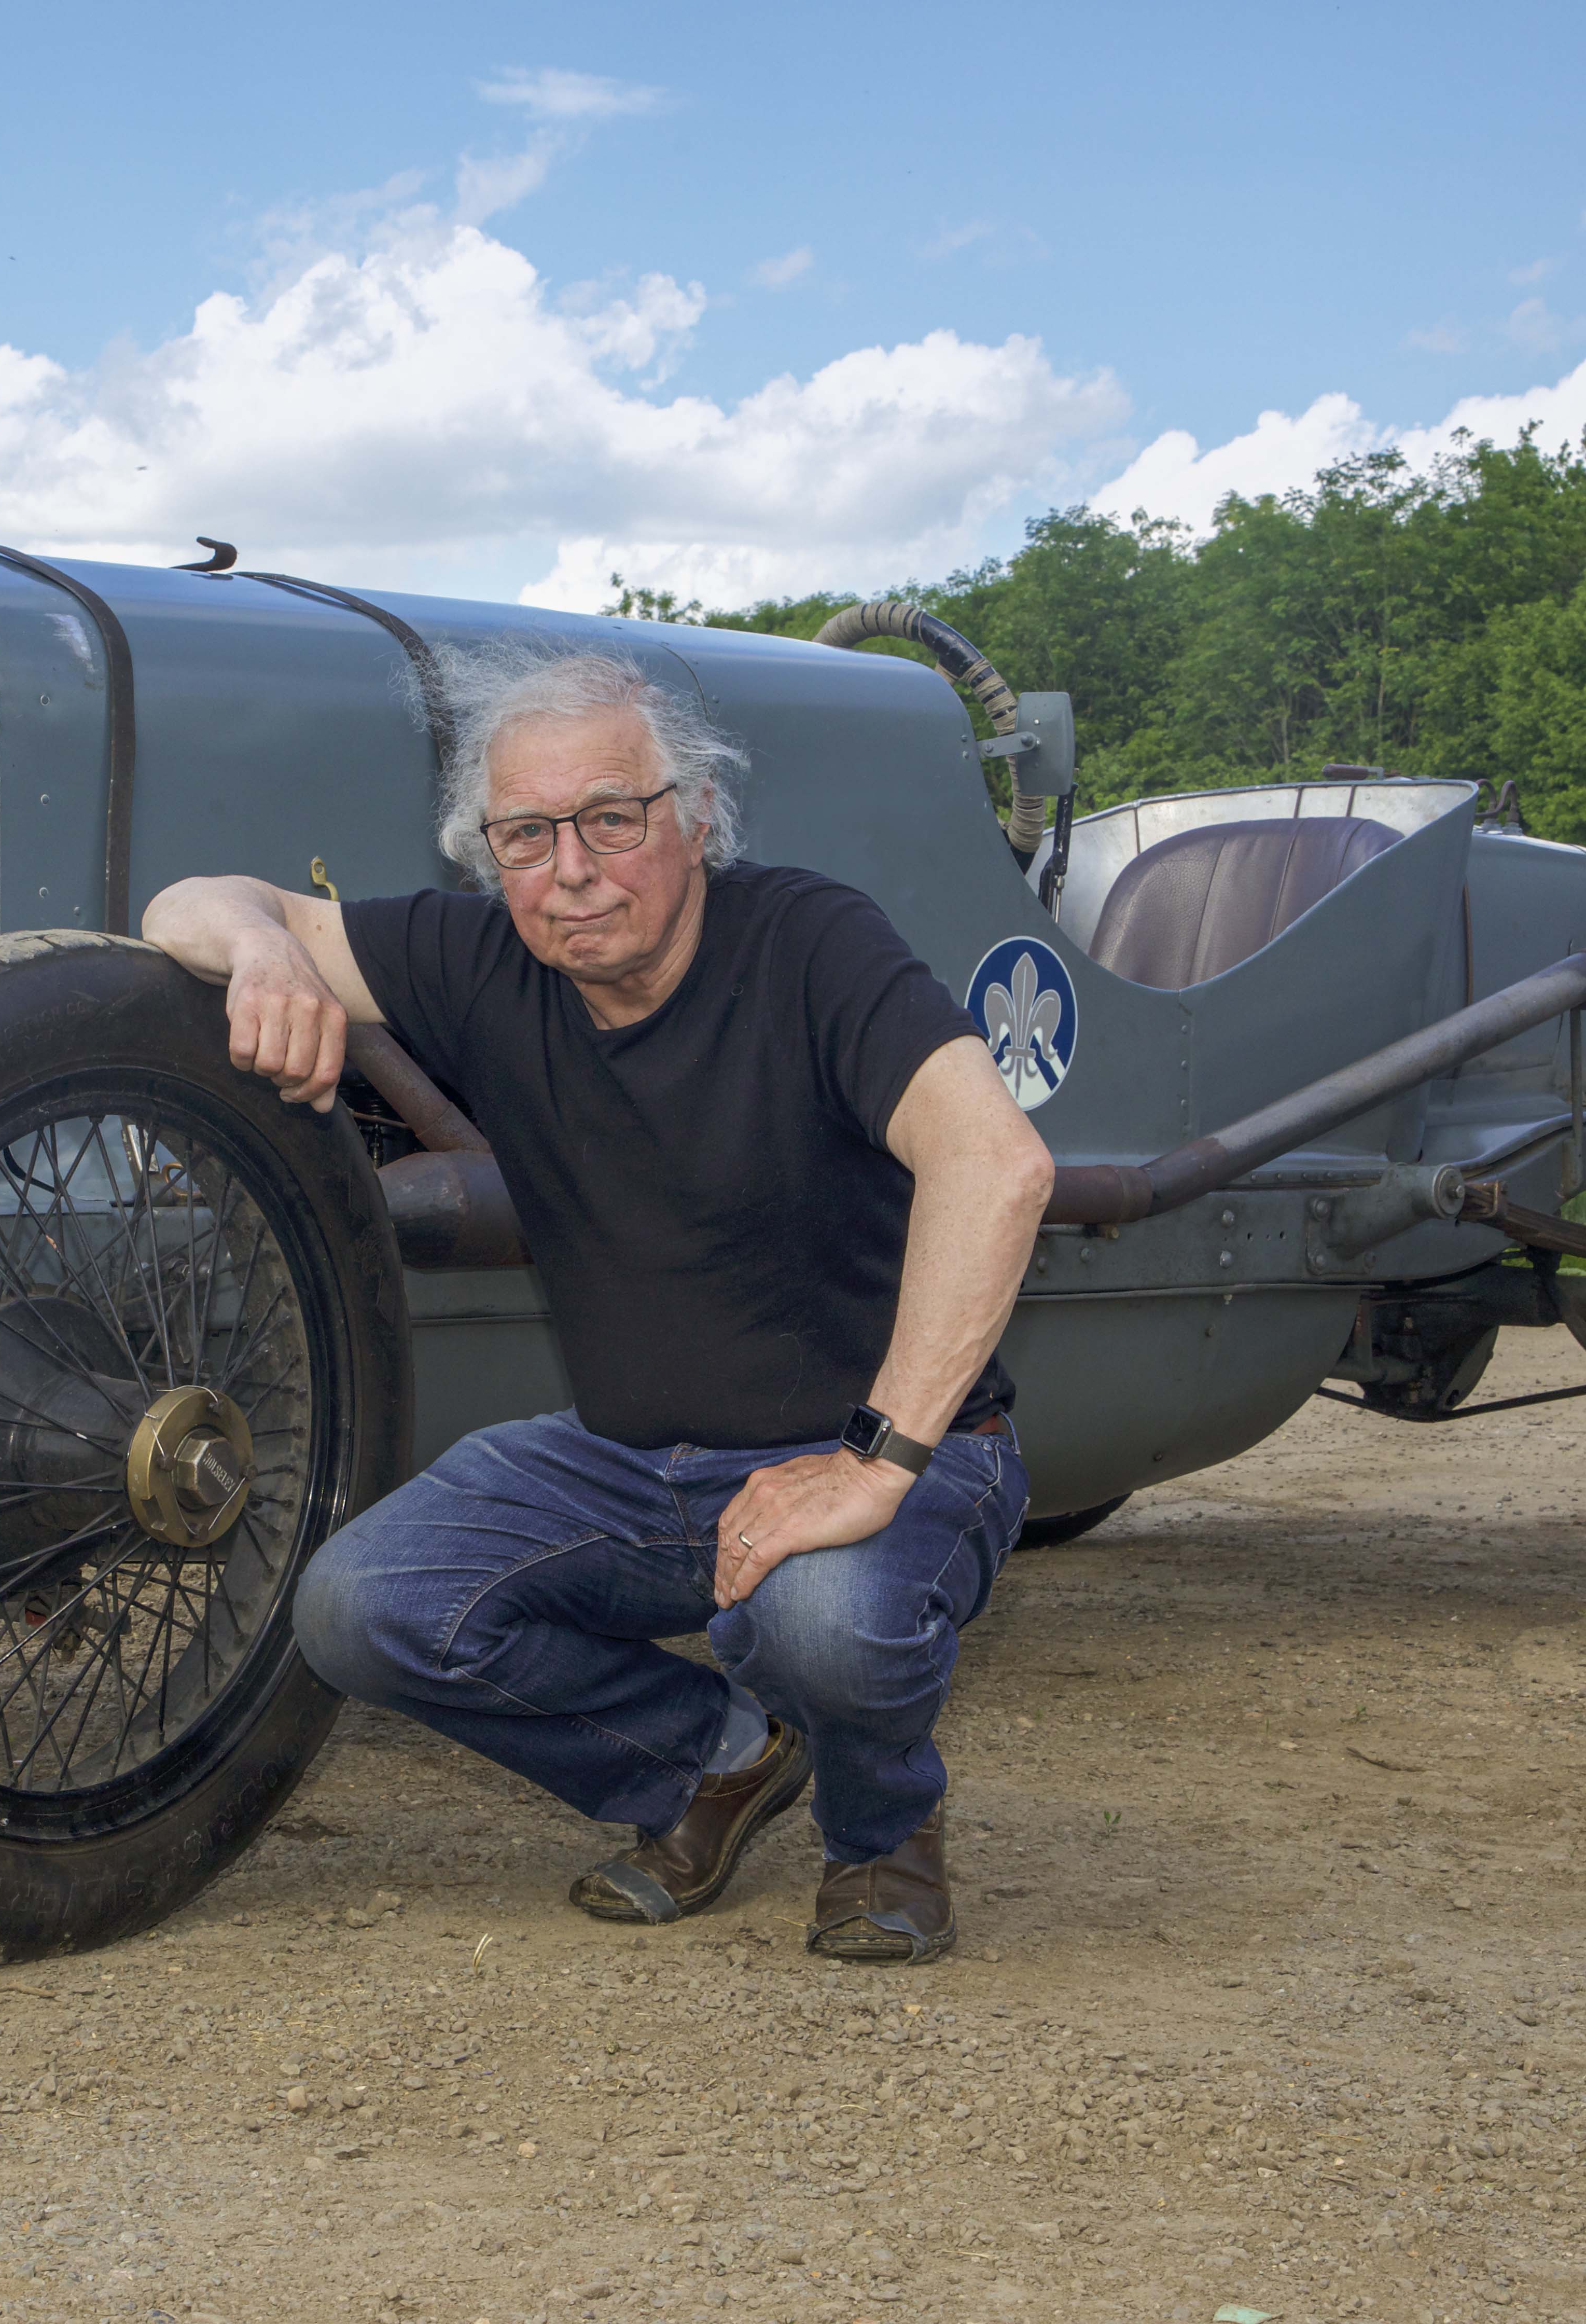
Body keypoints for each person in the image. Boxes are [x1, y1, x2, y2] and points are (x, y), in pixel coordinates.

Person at [139, 644, 1051, 1961]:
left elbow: (998, 1161)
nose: (572, 869)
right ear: (488, 851)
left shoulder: (809, 940)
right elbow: (190, 899)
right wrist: (267, 953)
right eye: (526, 834)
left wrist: (873, 1460)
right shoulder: (483, 960)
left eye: (612, 820)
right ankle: (720, 1759)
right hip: (637, 1465)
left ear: (693, 817)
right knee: (363, 1603)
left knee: (821, 1617)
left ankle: (881, 1833)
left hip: (892, 1455)